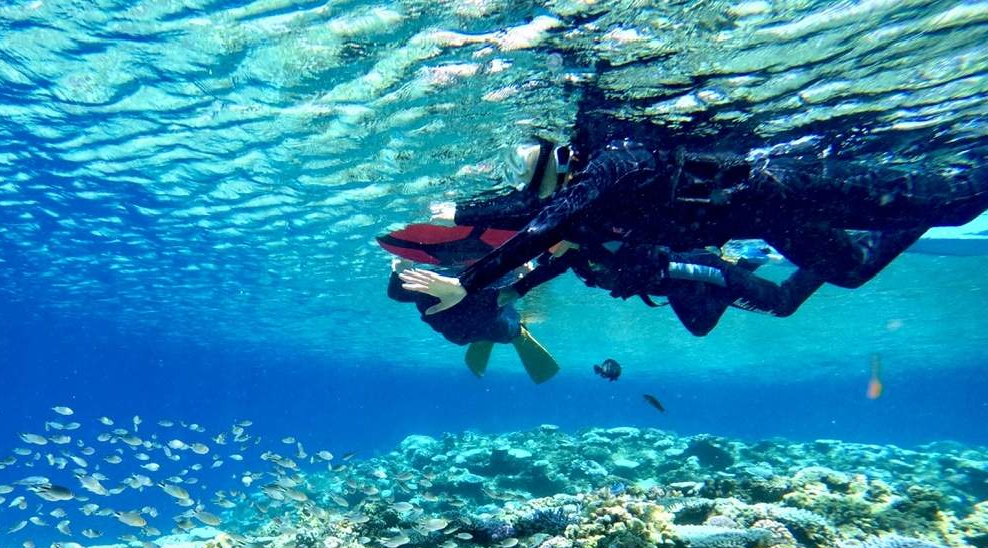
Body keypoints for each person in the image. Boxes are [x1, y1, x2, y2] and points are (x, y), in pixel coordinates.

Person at [397, 133, 988, 332]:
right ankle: (912, 202)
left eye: (531, 169)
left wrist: (471, 283)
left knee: (959, 201)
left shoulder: (612, 162)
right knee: (853, 269)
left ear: (562, 153)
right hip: (767, 219)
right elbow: (534, 219)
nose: (529, 189)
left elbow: (544, 220)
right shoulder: (578, 211)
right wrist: (455, 213)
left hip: (781, 187)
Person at [386, 257, 560, 383]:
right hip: (484, 322)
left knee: (500, 309)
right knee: (504, 313)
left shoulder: (427, 285)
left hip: (460, 332)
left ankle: (506, 332)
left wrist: (401, 268)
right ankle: (516, 332)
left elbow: (396, 293)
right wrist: (526, 275)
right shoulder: (484, 293)